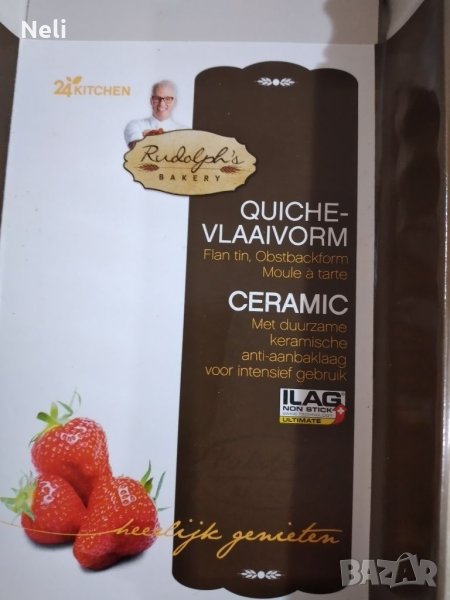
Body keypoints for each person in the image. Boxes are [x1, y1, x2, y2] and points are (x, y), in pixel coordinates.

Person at [124, 80, 185, 149]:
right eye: (157, 98)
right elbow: (137, 149)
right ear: (151, 101)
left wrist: (149, 136)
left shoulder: (185, 130)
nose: (162, 104)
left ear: (175, 102)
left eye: (168, 99)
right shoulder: (135, 125)